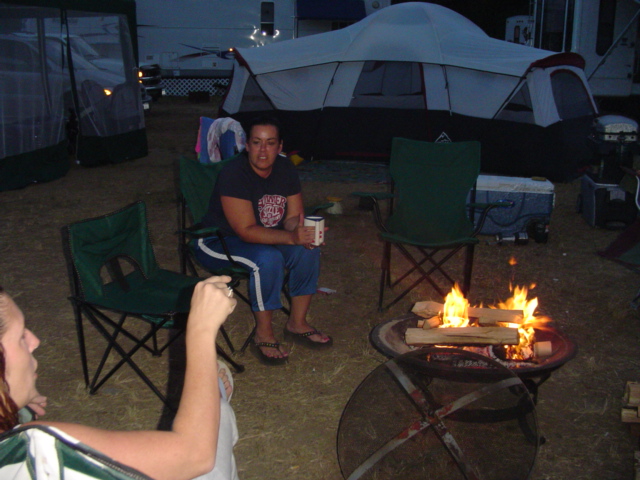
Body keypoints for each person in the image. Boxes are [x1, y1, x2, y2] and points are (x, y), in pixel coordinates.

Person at [0, 277, 239, 480]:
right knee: (217, 419)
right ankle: (215, 393)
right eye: (20, 336)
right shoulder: (32, 448)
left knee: (215, 415)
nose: (34, 341)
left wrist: (12, 407)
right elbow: (194, 456)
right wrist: (200, 329)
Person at [195, 115, 332, 365]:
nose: (263, 150)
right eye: (257, 142)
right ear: (247, 145)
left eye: (270, 143)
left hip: (265, 236)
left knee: (307, 250)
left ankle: (297, 323)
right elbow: (246, 231)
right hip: (219, 241)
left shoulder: (286, 168)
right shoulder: (234, 173)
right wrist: (291, 237)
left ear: (280, 147)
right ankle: (264, 333)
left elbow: (292, 217)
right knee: (268, 258)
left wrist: (305, 232)